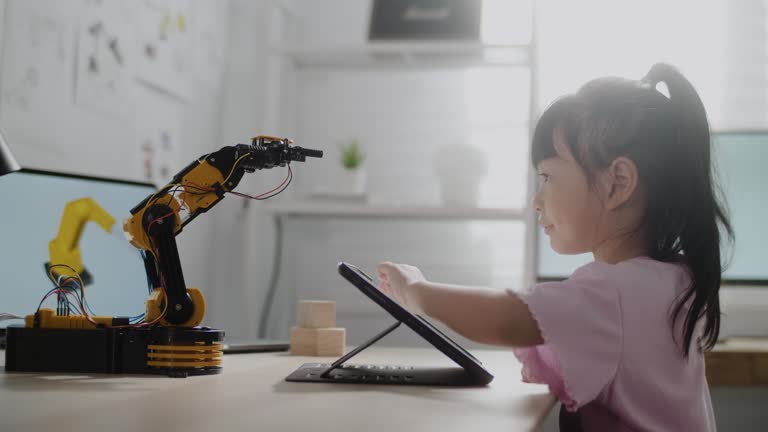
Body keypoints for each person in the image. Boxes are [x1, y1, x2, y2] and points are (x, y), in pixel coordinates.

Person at [377, 63, 732, 431]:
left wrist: (417, 291)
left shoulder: (612, 294)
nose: (536, 200)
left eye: (547, 176)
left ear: (618, 183)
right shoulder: (676, 277)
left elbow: (510, 318)